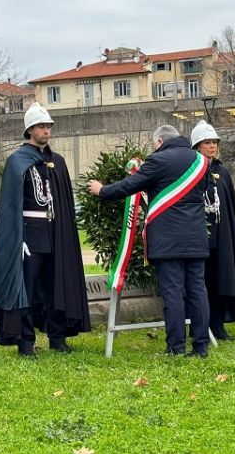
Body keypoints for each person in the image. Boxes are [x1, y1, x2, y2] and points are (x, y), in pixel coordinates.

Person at [87, 125, 210, 357]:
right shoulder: (201, 161)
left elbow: (130, 186)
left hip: (167, 241)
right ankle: (201, 347)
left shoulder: (158, 160)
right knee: (198, 291)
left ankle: (176, 348)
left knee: (173, 293)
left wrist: (103, 190)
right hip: (195, 238)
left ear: (160, 141)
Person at [0, 102, 90, 357]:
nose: (46, 131)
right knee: (27, 289)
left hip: (56, 232)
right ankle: (26, 341)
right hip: (30, 234)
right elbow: (10, 205)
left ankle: (57, 337)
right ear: (30, 129)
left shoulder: (58, 161)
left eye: (48, 126)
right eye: (42, 126)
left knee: (57, 285)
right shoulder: (18, 161)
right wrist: (17, 237)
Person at [190, 120, 235, 340]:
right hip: (198, 239)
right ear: (197, 146)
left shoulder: (223, 172)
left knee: (218, 282)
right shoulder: (191, 171)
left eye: (215, 142)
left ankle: (218, 325)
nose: (212, 146)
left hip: (221, 238)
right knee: (200, 283)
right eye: (207, 142)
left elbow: (228, 208)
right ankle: (198, 326)